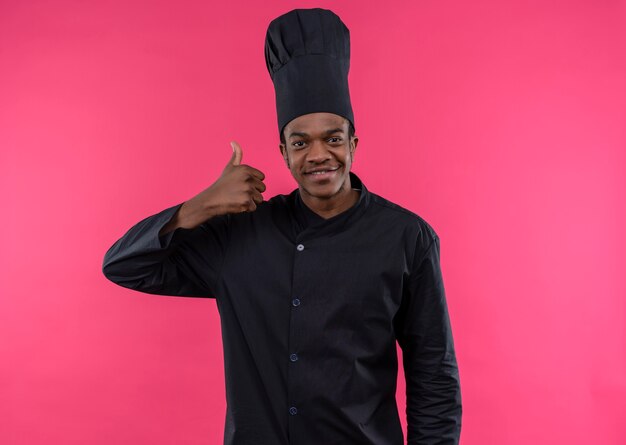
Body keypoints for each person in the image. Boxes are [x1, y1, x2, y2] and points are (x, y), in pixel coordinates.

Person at [102, 7, 462, 445]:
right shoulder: (237, 234)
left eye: (332, 138)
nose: (318, 155)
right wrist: (198, 206)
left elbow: (433, 375)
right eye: (300, 142)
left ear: (353, 142)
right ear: (282, 150)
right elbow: (123, 266)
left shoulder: (408, 238)